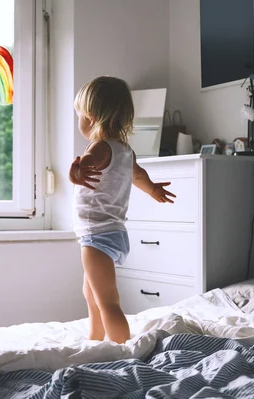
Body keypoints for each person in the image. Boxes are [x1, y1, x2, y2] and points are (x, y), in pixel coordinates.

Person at [68, 76, 176, 344]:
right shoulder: (125, 150)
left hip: (96, 236)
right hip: (115, 235)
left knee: (107, 301)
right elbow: (138, 175)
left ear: (91, 118)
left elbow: (87, 164)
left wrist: (77, 171)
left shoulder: (99, 147)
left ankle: (123, 348)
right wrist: (153, 190)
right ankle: (95, 339)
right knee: (91, 293)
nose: (79, 121)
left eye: (79, 115)